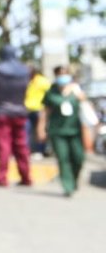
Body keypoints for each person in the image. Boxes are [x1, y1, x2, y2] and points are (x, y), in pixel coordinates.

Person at [0, 45, 33, 187]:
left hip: (0, 113)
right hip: (20, 112)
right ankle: (26, 176)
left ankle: (2, 177)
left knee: (3, 145)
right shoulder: (25, 71)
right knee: (21, 145)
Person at [37, 65, 87, 197]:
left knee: (78, 158)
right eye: (60, 74)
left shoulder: (75, 90)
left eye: (65, 74)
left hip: (75, 131)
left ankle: (73, 180)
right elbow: (45, 112)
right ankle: (68, 186)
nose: (63, 77)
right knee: (63, 158)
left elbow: (86, 104)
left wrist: (77, 93)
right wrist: (41, 129)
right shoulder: (51, 92)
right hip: (57, 131)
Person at [24, 65, 52, 157]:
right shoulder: (27, 81)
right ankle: (26, 151)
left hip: (40, 110)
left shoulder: (42, 81)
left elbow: (49, 94)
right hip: (27, 110)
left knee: (40, 131)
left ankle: (40, 150)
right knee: (26, 131)